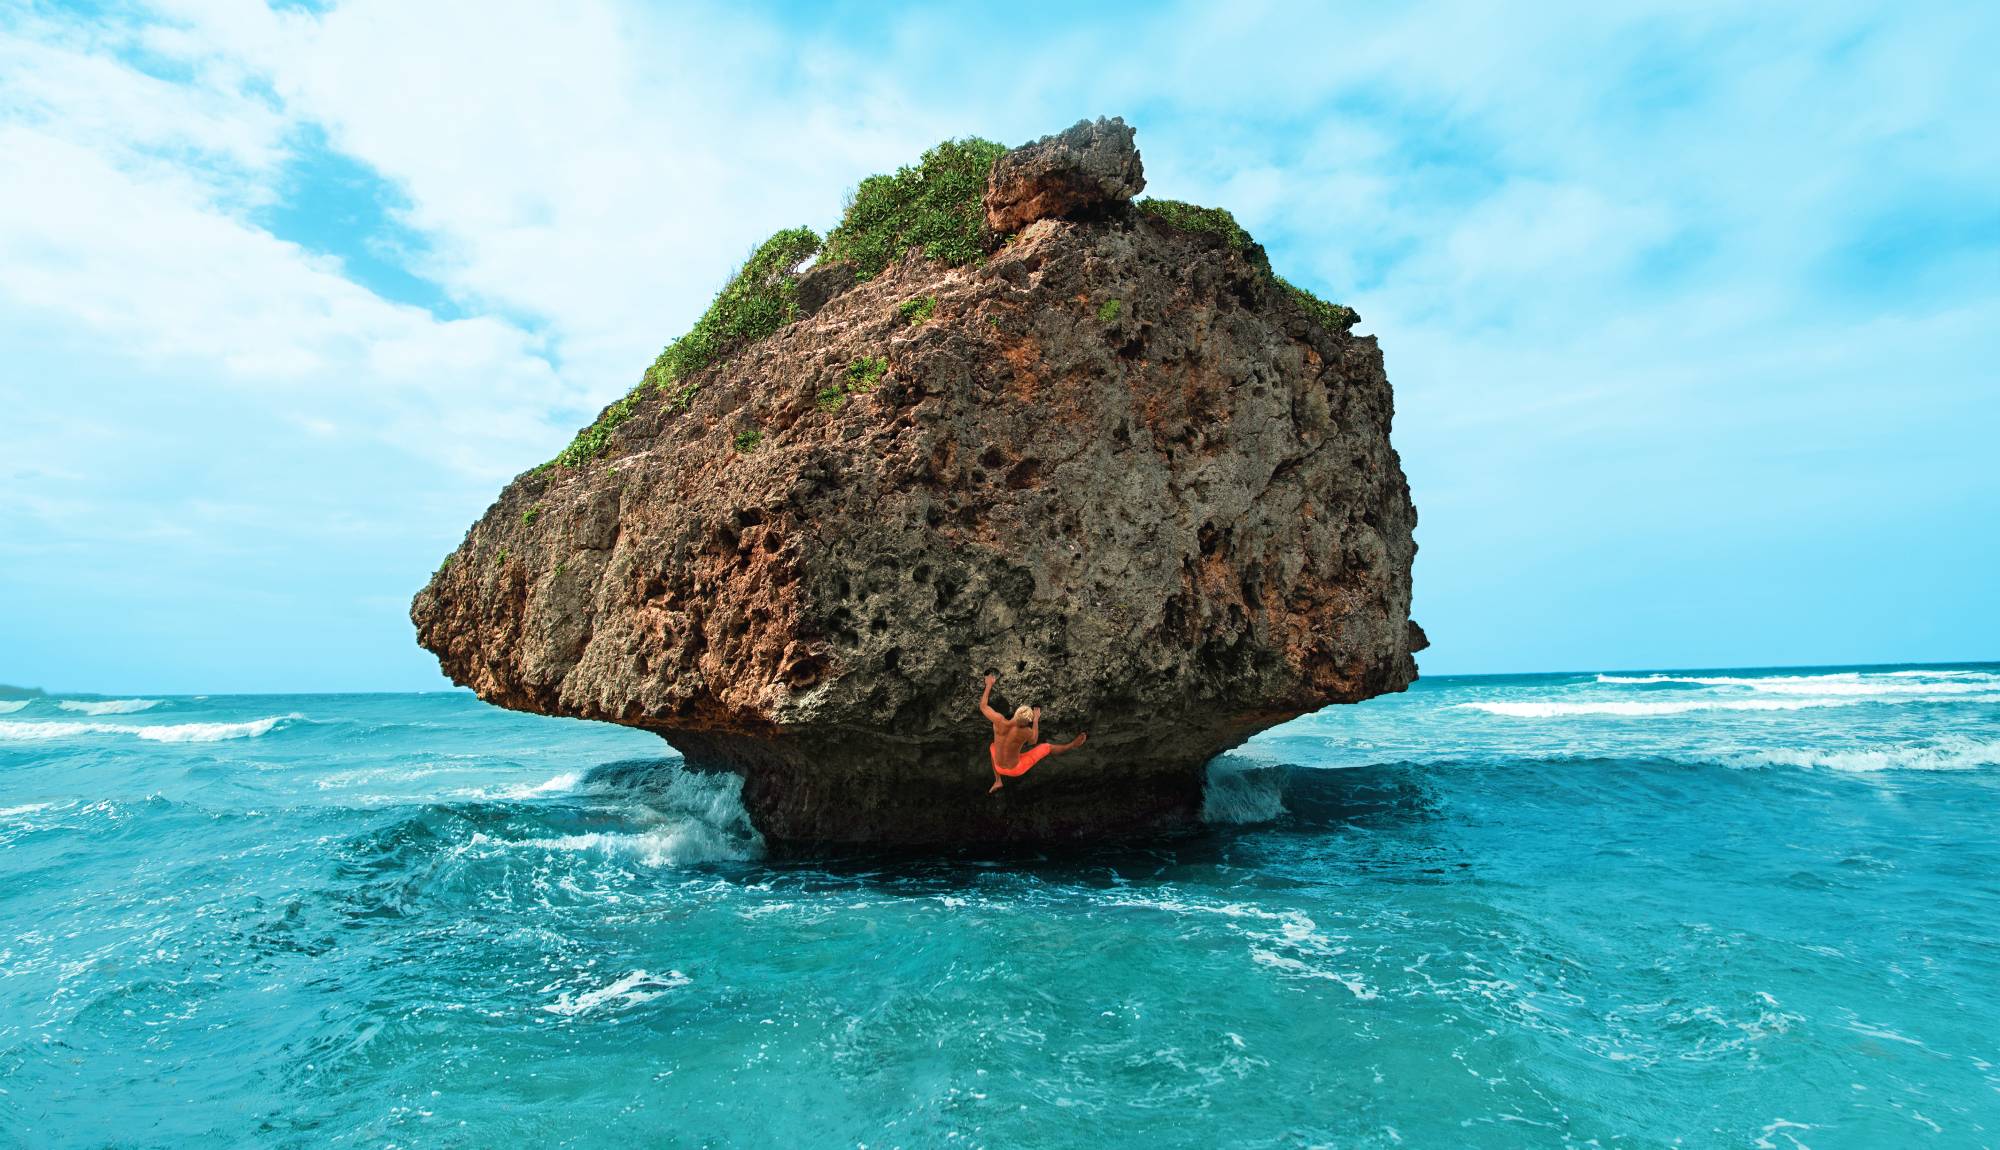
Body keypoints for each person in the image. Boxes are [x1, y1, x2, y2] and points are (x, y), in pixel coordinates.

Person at [978, 672, 1086, 793]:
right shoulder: (1025, 732)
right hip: (1015, 769)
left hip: (998, 767)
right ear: (1025, 724)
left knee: (993, 746)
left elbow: (983, 706)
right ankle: (1071, 745)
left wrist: (989, 684)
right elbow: (1034, 740)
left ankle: (998, 780)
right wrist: (1035, 720)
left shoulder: (998, 721)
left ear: (1015, 714)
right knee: (1047, 747)